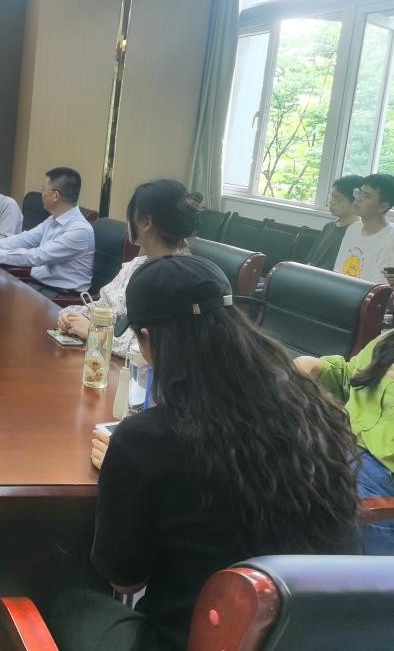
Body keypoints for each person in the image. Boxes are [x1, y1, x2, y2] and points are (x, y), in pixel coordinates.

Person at [54, 255, 361, 651]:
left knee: (71, 604)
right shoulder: (316, 410)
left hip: (197, 639)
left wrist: (123, 467)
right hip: (315, 636)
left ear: (148, 339)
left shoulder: (147, 440)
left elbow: (125, 580)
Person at [57, 180, 201, 356]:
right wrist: (70, 316)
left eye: (131, 215)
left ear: (146, 223)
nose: (128, 223)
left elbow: (155, 349)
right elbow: (103, 308)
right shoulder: (136, 265)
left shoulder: (181, 279)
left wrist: (94, 333)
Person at [294, 333, 394, 555]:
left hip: (377, 482)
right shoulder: (388, 340)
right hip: (341, 448)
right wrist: (313, 366)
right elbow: (350, 375)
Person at [0, 167, 94, 296]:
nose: (41, 194)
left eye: (43, 190)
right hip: (40, 287)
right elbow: (23, 239)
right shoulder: (53, 219)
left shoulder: (79, 230)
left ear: (55, 196)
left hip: (61, 297)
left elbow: (37, 256)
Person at [333, 172, 394, 285]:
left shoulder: (390, 239)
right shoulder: (353, 228)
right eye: (359, 192)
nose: (358, 199)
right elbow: (338, 272)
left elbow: (380, 288)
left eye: (366, 196)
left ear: (383, 206)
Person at [306, 175, 363, 270]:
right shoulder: (329, 226)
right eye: (332, 197)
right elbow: (312, 261)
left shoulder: (358, 232)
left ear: (355, 201)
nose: (332, 202)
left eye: (338, 199)